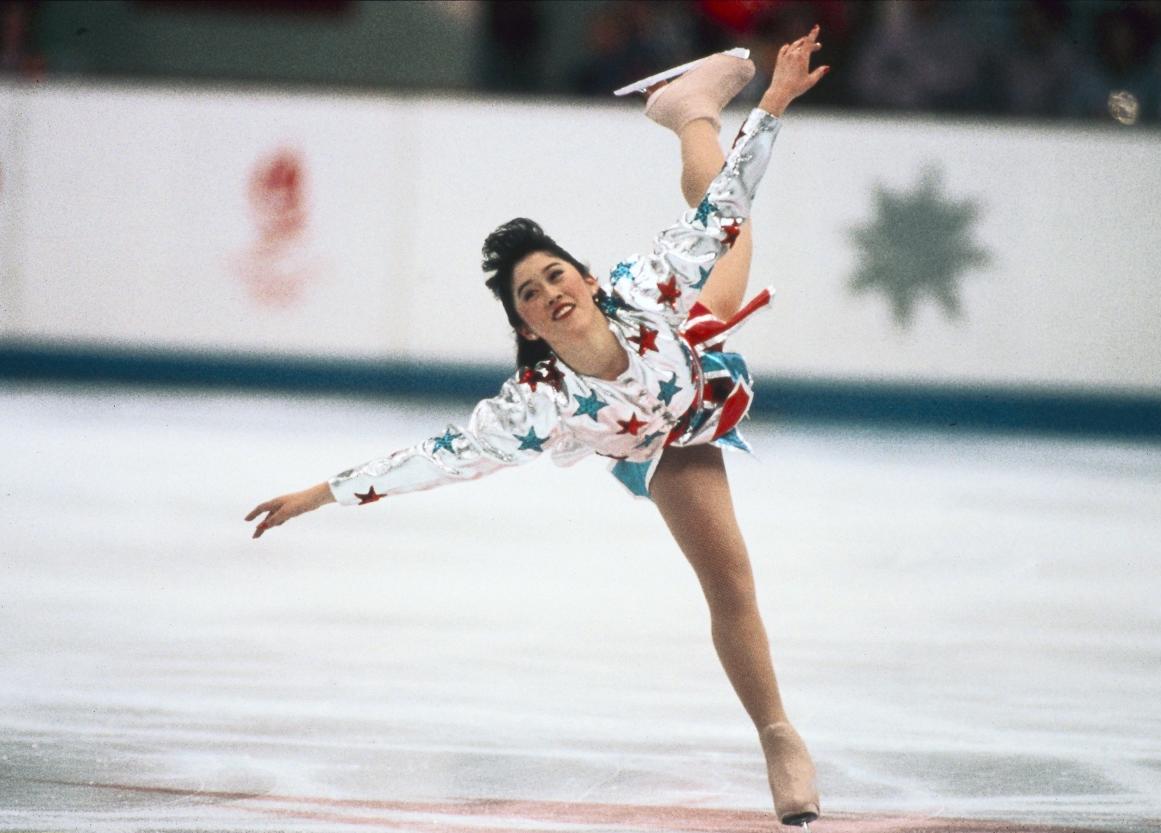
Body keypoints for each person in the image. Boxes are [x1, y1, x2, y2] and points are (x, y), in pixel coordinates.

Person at [246, 27, 830, 828]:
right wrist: (321, 492)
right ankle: (777, 732)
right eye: (529, 292)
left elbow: (728, 203)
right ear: (525, 327)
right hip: (659, 445)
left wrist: (771, 103)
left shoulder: (650, 290)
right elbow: (435, 458)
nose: (549, 291)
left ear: (588, 281)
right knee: (727, 581)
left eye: (556, 273)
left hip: (684, 361)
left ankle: (693, 109)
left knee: (727, 240)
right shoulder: (538, 406)